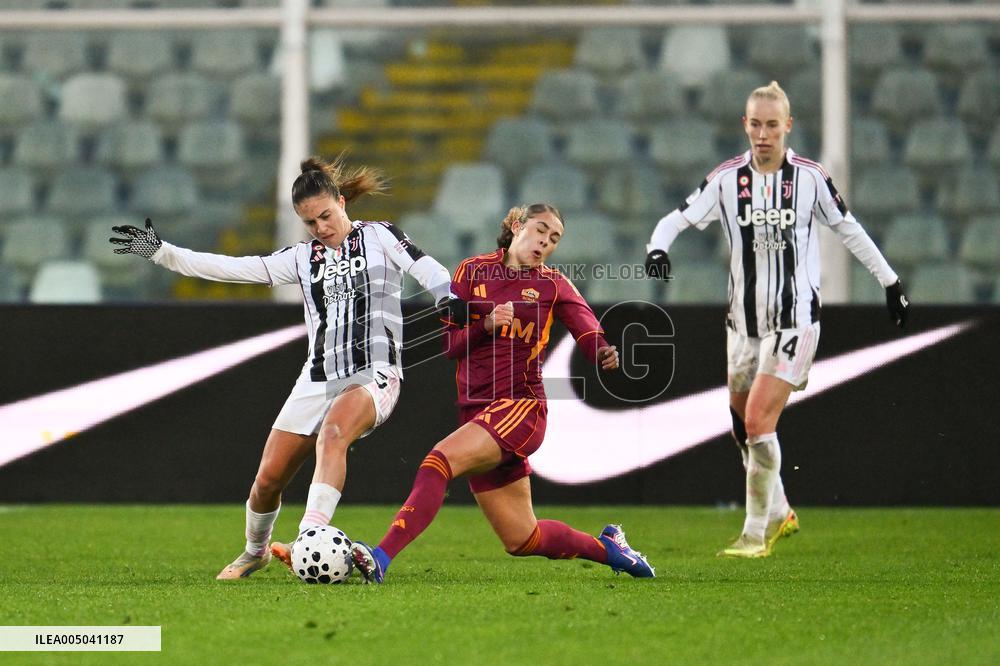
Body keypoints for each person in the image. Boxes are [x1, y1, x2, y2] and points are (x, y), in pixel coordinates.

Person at [110, 156, 457, 579]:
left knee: (332, 436)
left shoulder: (380, 236)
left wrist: (447, 296)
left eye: (326, 216)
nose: (321, 228)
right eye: (310, 222)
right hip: (317, 378)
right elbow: (231, 268)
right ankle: (255, 551)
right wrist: (162, 252)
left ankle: (310, 537)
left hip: (375, 373)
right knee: (267, 482)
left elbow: (424, 267)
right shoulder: (300, 259)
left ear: (342, 202)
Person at [644, 81, 910, 558]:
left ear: (788, 126)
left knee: (758, 420)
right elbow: (675, 219)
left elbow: (849, 230)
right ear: (744, 125)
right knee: (739, 424)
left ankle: (753, 536)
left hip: (795, 319)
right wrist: (657, 247)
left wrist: (890, 283)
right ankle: (780, 510)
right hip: (742, 325)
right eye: (756, 124)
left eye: (772, 125)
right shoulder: (727, 180)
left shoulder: (809, 179)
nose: (763, 134)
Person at [349, 203, 655, 584]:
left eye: (555, 238)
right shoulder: (471, 271)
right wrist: (487, 325)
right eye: (541, 230)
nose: (546, 241)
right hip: (477, 411)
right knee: (522, 538)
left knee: (437, 463)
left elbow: (586, 326)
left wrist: (602, 351)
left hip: (520, 406)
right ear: (515, 226)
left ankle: (380, 557)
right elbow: (452, 345)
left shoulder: (553, 284)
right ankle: (611, 549)